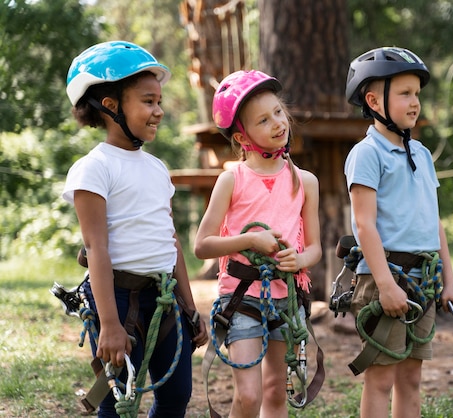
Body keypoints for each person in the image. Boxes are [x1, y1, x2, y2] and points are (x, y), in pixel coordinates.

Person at [62, 40, 208, 417]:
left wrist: (190, 309)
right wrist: (109, 324)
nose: (159, 111)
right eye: (148, 101)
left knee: (176, 396)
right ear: (110, 106)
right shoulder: (94, 169)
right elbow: (96, 249)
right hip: (120, 299)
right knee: (118, 401)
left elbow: (170, 239)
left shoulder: (157, 168)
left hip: (164, 298)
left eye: (159, 101)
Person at [343, 46, 453, 418]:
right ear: (374, 100)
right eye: (405, 93)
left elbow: (434, 222)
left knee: (411, 378)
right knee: (381, 380)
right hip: (386, 279)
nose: (415, 103)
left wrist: (450, 281)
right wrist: (385, 285)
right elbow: (364, 224)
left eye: (418, 95)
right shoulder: (367, 154)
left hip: (422, 282)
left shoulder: (423, 155)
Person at [194, 70, 322, 418]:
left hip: (286, 298)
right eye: (263, 120)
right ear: (242, 135)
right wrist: (251, 239)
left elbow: (315, 249)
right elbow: (202, 245)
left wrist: (299, 260)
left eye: (278, 112)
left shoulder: (305, 181)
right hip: (241, 295)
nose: (277, 123)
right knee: (249, 397)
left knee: (274, 394)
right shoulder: (231, 178)